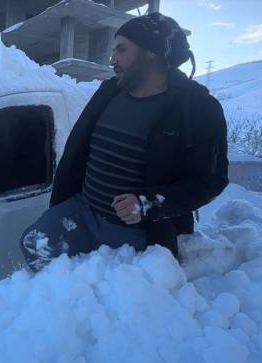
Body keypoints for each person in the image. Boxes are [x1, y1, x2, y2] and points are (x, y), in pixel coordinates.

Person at [20, 12, 228, 271]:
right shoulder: (110, 92)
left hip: (138, 232)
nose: (112, 59)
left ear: (151, 52)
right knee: (33, 246)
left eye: (121, 49)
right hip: (82, 211)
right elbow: (79, 149)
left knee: (113, 300)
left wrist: (148, 203)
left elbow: (211, 180)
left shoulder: (199, 108)